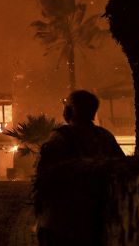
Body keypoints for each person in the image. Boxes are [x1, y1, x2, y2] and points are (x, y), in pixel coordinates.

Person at [35, 90, 125, 246]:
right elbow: (121, 167)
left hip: (61, 223)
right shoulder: (105, 137)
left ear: (70, 110)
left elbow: (44, 176)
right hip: (95, 221)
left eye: (66, 104)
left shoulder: (60, 137)